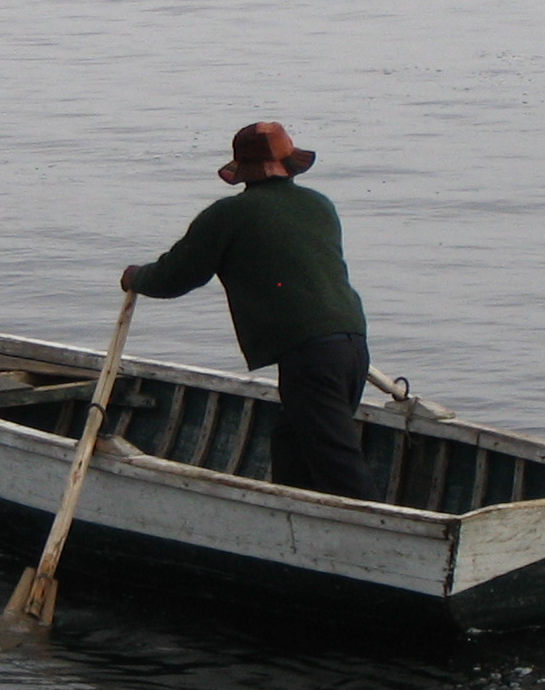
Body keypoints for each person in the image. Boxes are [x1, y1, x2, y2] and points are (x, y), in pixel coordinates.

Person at [121, 122, 376, 501]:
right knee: (294, 444)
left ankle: (372, 540)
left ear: (242, 170)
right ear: (288, 164)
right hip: (352, 345)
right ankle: (291, 523)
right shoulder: (318, 204)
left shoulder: (229, 215)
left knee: (335, 462)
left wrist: (136, 278)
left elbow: (174, 277)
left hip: (310, 355)